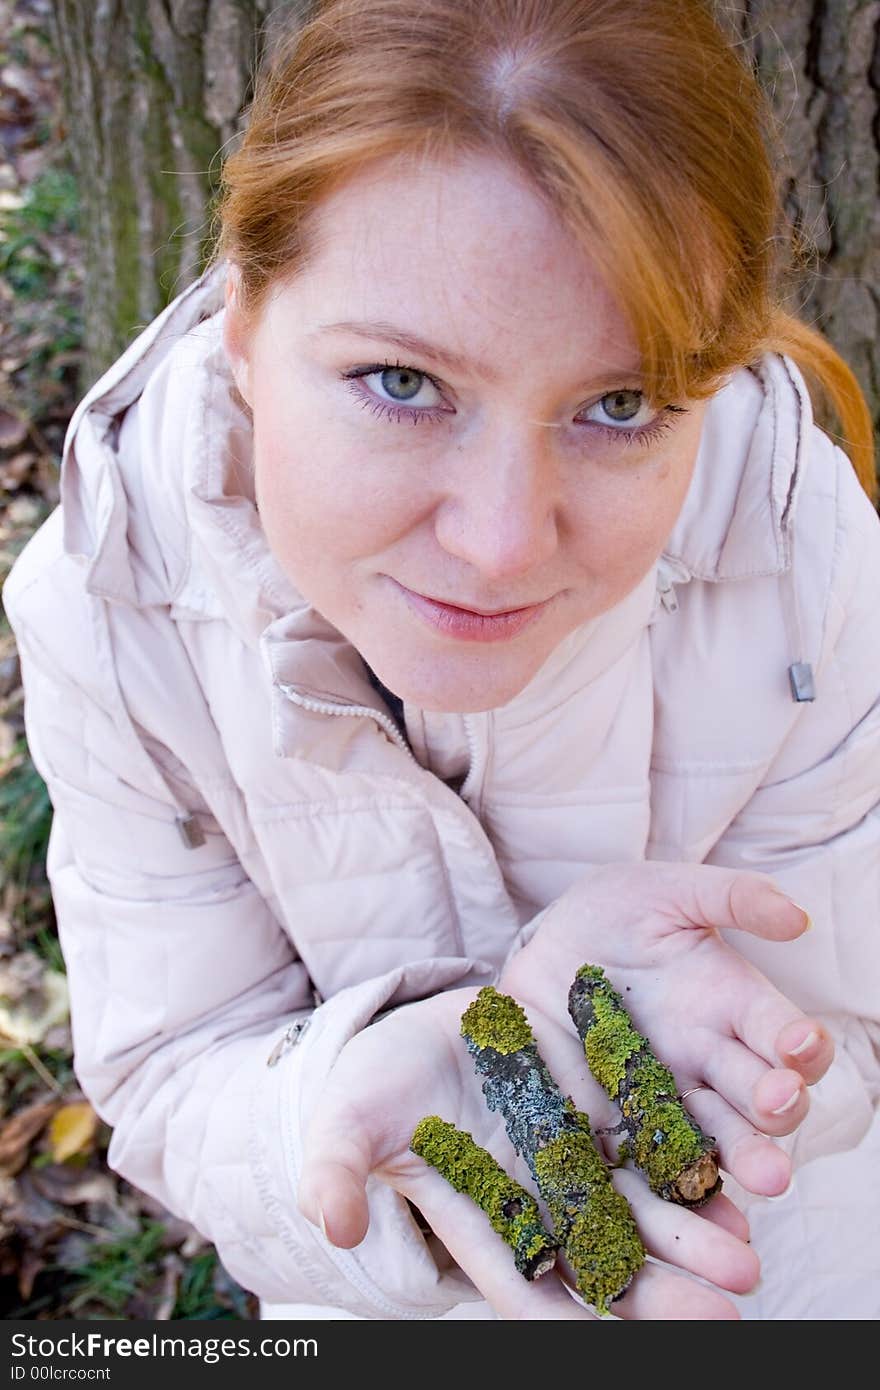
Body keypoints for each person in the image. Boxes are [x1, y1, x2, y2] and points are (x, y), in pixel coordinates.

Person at [4, 0, 879, 1321]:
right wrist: (337, 1103)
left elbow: (854, 1027)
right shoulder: (110, 602)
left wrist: (709, 1056)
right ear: (244, 327)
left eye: (618, 405)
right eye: (402, 382)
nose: (501, 541)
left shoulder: (800, 543)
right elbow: (181, 1069)